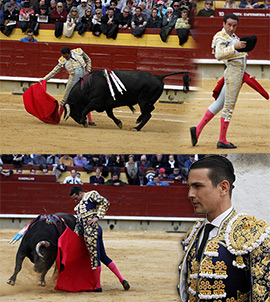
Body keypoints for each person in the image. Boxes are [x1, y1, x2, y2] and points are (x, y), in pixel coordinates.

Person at [177, 155, 270, 301]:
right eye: (189, 187)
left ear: (223, 188)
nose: (190, 194)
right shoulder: (195, 233)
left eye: (198, 186)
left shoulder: (253, 234)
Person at [190, 14, 248, 149]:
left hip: (235, 75)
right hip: (233, 76)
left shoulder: (233, 37)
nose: (231, 28)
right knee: (229, 107)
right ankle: (222, 140)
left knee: (219, 104)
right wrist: (235, 47)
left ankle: (197, 130)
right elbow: (219, 54)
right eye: (229, 25)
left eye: (234, 26)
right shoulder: (220, 36)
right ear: (223, 24)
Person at [69, 186, 130, 291]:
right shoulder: (79, 206)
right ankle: (122, 280)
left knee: (94, 258)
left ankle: (97, 286)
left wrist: (97, 217)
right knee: (103, 257)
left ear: (80, 193)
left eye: (76, 198)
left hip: (91, 231)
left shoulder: (90, 195)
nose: (75, 201)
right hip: (94, 230)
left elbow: (105, 202)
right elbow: (79, 223)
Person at [40, 47, 95, 125]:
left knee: (86, 99)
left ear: (70, 53)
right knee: (65, 99)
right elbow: (55, 71)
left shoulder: (78, 52)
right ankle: (58, 118)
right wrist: (44, 79)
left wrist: (88, 70)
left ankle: (90, 120)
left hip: (84, 80)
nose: (65, 58)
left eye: (66, 56)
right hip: (73, 81)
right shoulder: (63, 60)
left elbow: (88, 60)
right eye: (63, 56)